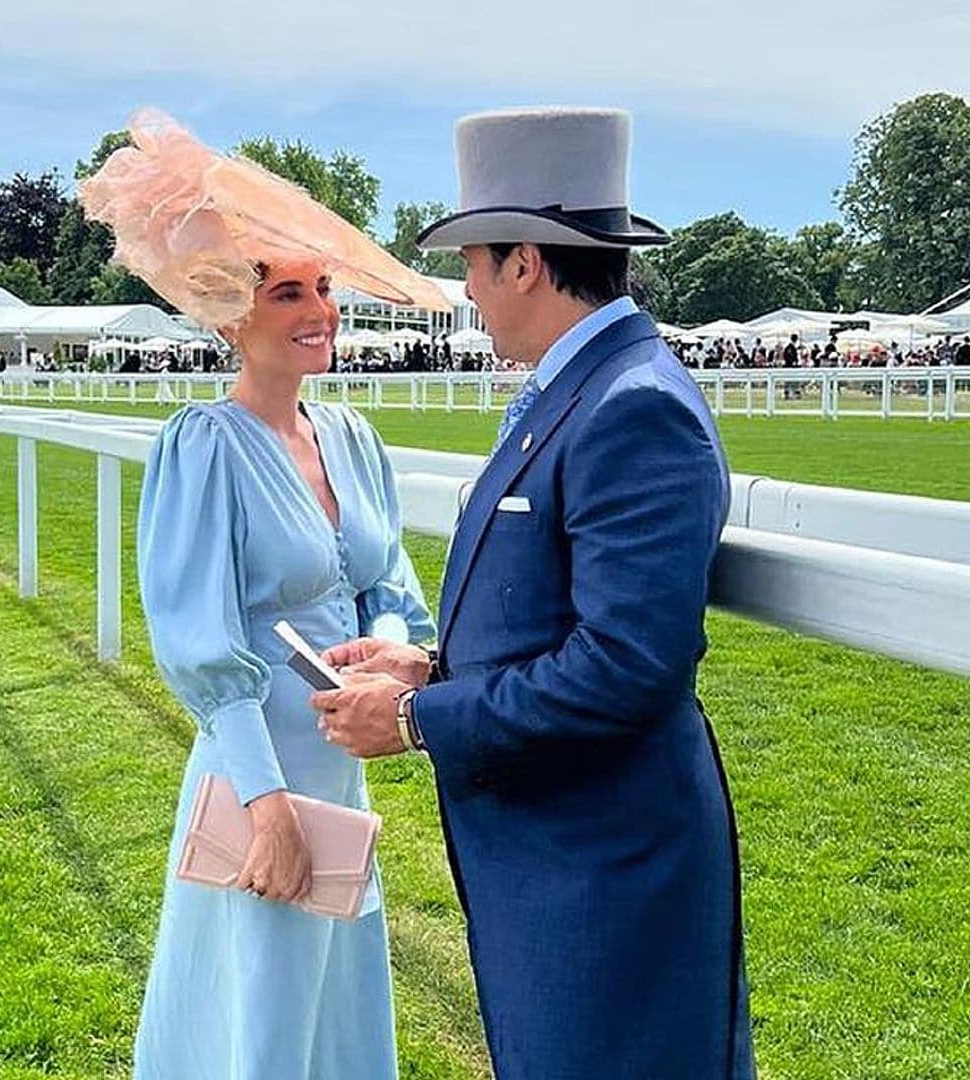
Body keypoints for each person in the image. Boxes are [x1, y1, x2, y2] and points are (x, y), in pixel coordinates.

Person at [315, 107, 755, 1079]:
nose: (467, 288)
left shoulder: (632, 406)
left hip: (603, 876)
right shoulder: (581, 388)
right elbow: (557, 614)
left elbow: (624, 670)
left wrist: (421, 716)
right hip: (559, 864)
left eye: (474, 260)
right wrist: (436, 664)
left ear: (526, 261)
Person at [81, 110, 444, 1080]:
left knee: (334, 1003)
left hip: (341, 761)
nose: (320, 309)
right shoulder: (203, 447)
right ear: (233, 315)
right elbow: (197, 642)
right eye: (289, 292)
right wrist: (267, 804)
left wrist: (392, 655)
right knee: (257, 1005)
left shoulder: (355, 439)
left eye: (324, 287)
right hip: (258, 770)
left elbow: (391, 586)